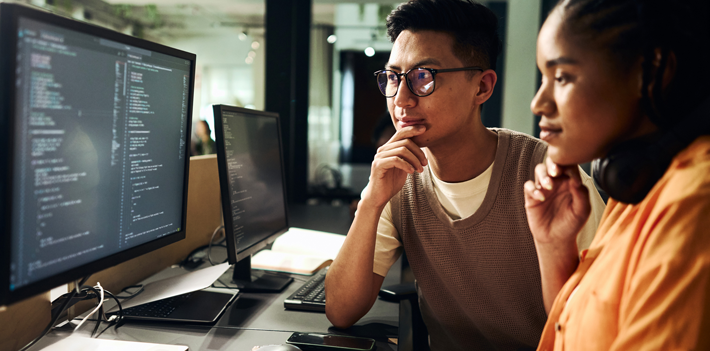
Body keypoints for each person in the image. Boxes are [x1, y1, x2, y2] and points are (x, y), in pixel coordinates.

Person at [324, 1, 606, 350]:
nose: (401, 99)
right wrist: (371, 200)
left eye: (423, 77)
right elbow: (340, 310)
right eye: (393, 77)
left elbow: (600, 326)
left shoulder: (551, 177)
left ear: (482, 88)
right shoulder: (398, 178)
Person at [525, 0, 710, 350]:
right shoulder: (636, 185)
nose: (539, 103)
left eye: (562, 76)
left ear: (650, 70)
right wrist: (554, 246)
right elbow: (577, 329)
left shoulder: (694, 201)